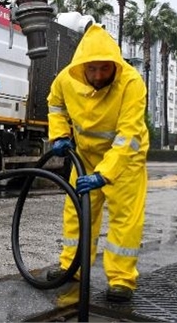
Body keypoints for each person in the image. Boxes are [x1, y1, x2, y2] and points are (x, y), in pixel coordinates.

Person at [46, 24, 149, 302]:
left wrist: (105, 174)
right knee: (76, 213)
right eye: (92, 69)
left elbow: (129, 135)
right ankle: (72, 268)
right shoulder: (67, 79)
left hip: (125, 161)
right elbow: (55, 105)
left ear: (115, 65)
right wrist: (59, 135)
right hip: (86, 157)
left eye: (105, 69)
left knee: (124, 220)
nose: (98, 75)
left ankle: (121, 280)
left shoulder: (131, 83)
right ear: (82, 67)